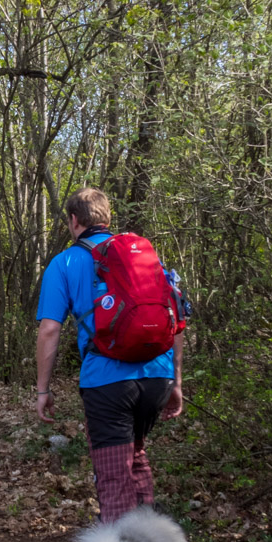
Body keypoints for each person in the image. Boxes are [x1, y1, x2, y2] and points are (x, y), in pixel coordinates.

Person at [35, 187, 186, 523]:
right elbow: (174, 320)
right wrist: (176, 382)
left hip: (108, 382)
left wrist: (43, 390)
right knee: (136, 458)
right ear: (107, 218)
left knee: (114, 475)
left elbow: (49, 330)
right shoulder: (145, 257)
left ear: (74, 220)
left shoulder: (65, 262)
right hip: (157, 377)